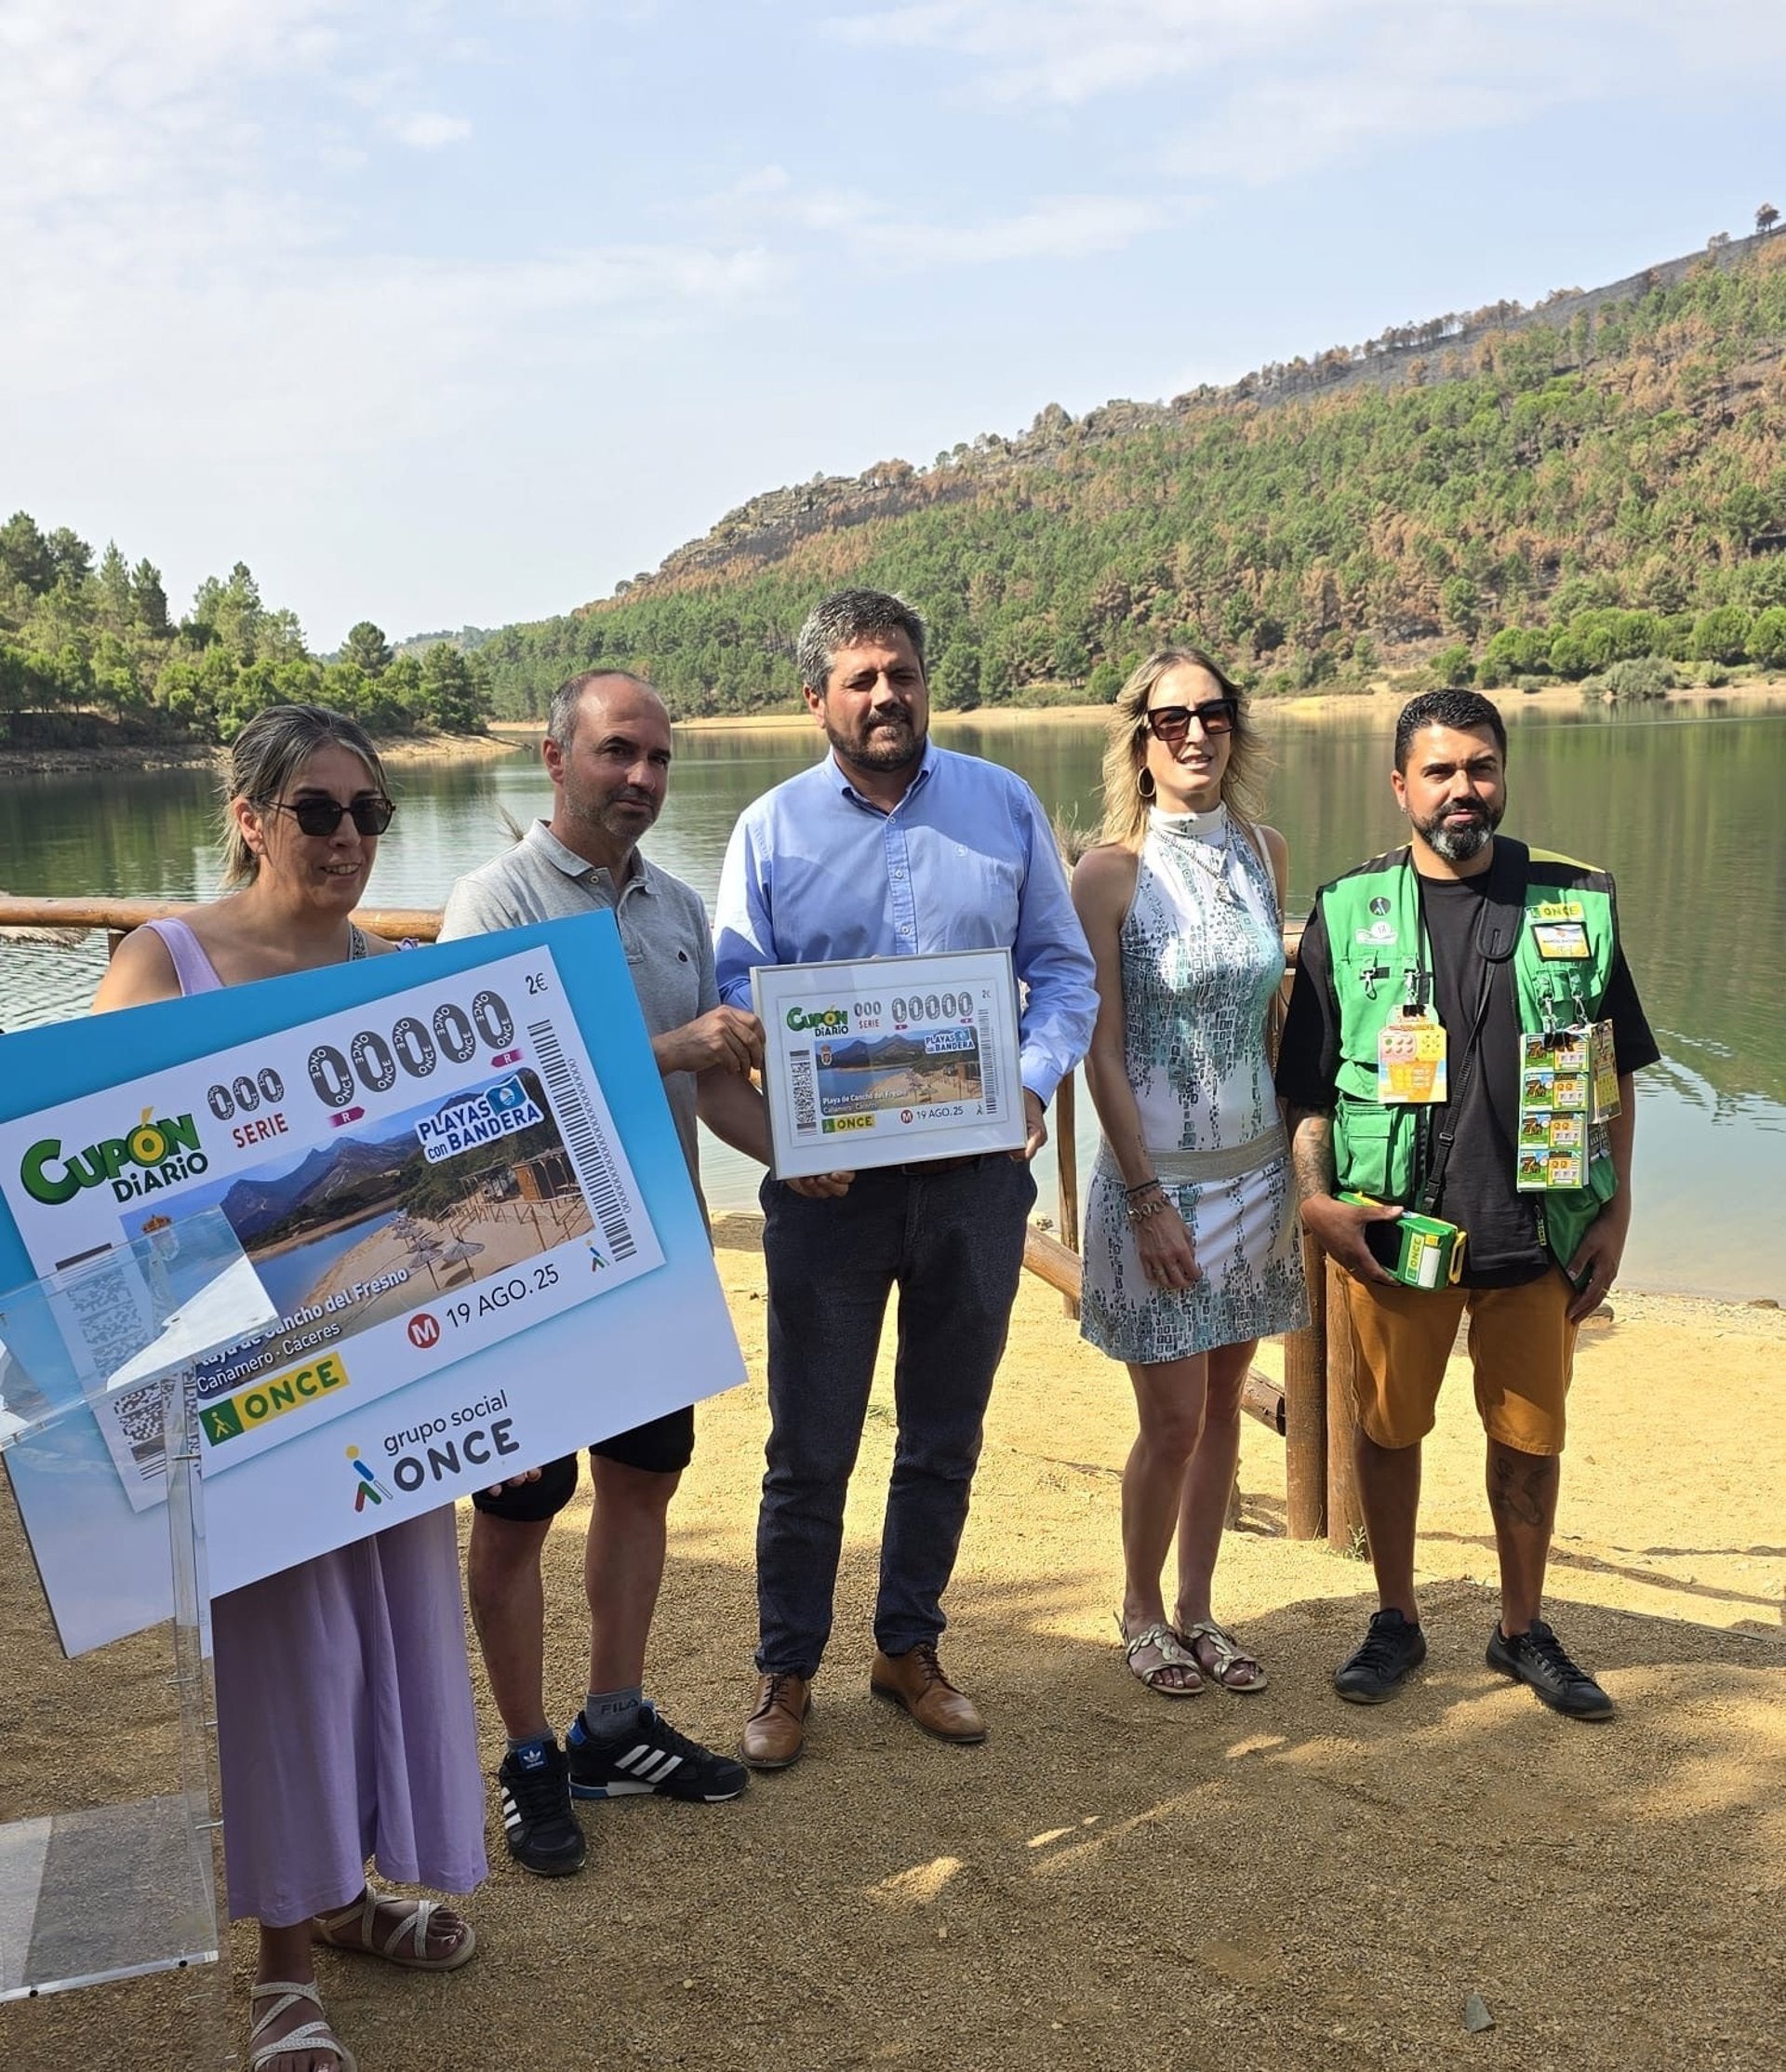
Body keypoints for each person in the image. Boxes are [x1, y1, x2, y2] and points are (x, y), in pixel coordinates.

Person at [95, 704, 484, 2072]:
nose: (348, 839)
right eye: (318, 811)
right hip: (240, 1384)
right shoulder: (164, 961)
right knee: (288, 1652)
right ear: (252, 817)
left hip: (383, 1362)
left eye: (370, 814)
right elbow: (94, 1187)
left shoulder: (386, 969)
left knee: (389, 1631)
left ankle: (353, 1889)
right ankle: (279, 1964)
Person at [713, 587, 1098, 1768]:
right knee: (809, 1444)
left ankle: (908, 1647)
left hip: (977, 1183)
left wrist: (1028, 1086)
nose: (887, 695)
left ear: (926, 681)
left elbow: (1063, 973)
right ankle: (787, 1672)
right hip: (830, 1195)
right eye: (861, 678)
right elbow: (739, 1010)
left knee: (944, 1430)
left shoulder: (1005, 805)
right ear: (816, 698)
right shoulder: (768, 832)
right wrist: (799, 1141)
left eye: (903, 673)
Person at [438, 669, 793, 1877]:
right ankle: (531, 1749)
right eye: (616, 754)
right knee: (520, 1510)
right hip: (529, 1281)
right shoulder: (491, 904)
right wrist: (673, 1047)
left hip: (657, 1264)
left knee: (643, 1483)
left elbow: (719, 1089)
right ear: (555, 759)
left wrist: (812, 1155)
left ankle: (615, 1717)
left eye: (656, 759)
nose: (640, 777)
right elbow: (483, 1110)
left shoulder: (677, 907)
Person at [1276, 688, 1659, 1719]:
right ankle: (1396, 1618)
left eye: (1479, 766)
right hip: (1399, 1236)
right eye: (1439, 770)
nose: (1462, 788)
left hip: (1543, 1232)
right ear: (1400, 785)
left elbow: (1615, 1074)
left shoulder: (1574, 902)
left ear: (1503, 775)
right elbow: (1307, 1093)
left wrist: (1617, 1213)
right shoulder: (1347, 914)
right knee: (1390, 1432)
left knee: (1530, 1442)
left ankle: (1521, 1628)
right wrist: (1317, 1205)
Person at [1072, 650, 1307, 1697]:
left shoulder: (1267, 852)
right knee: (1170, 1423)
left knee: (1220, 1412)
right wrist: (1144, 1195)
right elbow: (1101, 1052)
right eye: (1173, 720)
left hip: (1256, 1182)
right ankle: (1140, 1607)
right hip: (1158, 1187)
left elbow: (1268, 1019)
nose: (1196, 735)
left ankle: (1204, 1608)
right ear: (1141, 739)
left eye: (1213, 714)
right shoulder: (1108, 874)